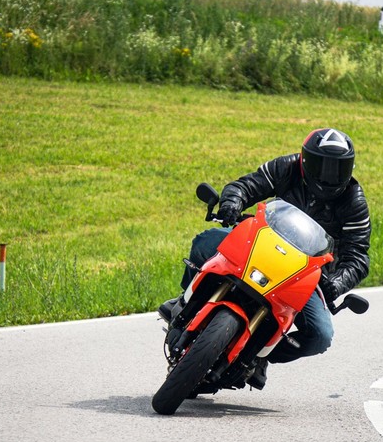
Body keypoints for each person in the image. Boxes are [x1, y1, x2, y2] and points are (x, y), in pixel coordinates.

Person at [159, 128, 371, 386]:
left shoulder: (353, 200)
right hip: (261, 242)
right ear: (305, 160)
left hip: (304, 270)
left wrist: (335, 283)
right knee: (205, 243)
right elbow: (246, 186)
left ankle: (260, 356)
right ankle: (186, 301)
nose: (328, 176)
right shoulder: (288, 167)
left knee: (320, 335)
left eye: (336, 169)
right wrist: (232, 203)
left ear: (349, 168)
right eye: (320, 165)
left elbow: (358, 257)